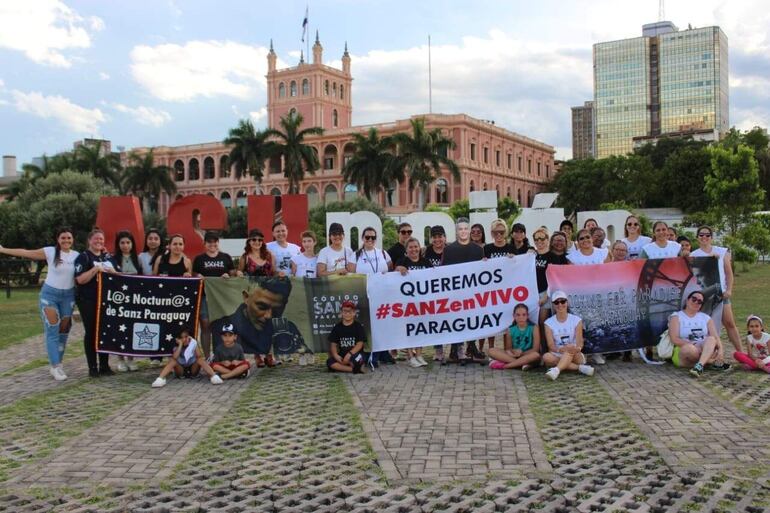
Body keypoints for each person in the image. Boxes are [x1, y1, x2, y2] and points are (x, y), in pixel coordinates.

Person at [0, 228, 78, 381]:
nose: (66, 241)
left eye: (69, 238)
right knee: (52, 328)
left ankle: (58, 363)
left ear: (73, 239)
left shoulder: (77, 256)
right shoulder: (50, 252)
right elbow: (25, 252)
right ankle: (55, 367)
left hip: (68, 296)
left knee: (64, 331)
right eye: (63, 238)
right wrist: (3, 250)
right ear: (58, 239)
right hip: (50, 295)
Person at [690, 225, 743, 352]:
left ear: (712, 237)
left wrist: (729, 290)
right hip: (704, 297)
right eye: (701, 235)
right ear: (697, 237)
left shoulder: (721, 251)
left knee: (729, 323)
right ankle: (711, 352)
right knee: (708, 326)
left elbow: (729, 273)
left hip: (721, 294)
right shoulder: (694, 255)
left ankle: (741, 352)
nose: (704, 237)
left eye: (707, 235)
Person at [74, 228, 116, 378]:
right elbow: (80, 279)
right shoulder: (83, 257)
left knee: (104, 331)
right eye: (96, 239)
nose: (99, 242)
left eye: (101, 240)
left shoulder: (107, 256)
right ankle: (93, 367)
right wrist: (95, 270)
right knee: (91, 332)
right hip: (88, 299)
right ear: (89, 241)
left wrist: (110, 270)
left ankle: (105, 365)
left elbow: (117, 274)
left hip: (105, 299)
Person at [442, 217, 485, 364]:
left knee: (472, 319)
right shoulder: (448, 250)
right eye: (460, 229)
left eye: (466, 228)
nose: (463, 231)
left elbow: (483, 271)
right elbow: (443, 272)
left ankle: (471, 347)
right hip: (455, 293)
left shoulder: (478, 250)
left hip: (473, 293)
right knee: (457, 320)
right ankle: (455, 349)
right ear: (456, 231)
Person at [355, 226, 394, 366]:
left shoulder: (383, 253)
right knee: (369, 326)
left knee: (382, 325)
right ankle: (371, 354)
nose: (370, 240)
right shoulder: (357, 255)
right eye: (367, 237)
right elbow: (352, 274)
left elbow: (391, 270)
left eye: (373, 237)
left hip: (383, 295)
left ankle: (383, 353)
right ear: (362, 239)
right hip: (366, 295)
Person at [193, 231, 236, 357]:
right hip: (204, 297)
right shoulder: (199, 259)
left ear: (218, 242)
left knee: (221, 325)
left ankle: (222, 354)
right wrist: (197, 276)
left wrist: (228, 275)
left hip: (222, 298)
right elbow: (193, 275)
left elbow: (233, 274)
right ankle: (207, 356)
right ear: (204, 243)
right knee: (205, 324)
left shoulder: (226, 257)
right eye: (209, 242)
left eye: (214, 242)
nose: (212, 244)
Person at [669, 290, 730, 377]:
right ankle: (710, 362)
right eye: (694, 299)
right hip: (685, 349)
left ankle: (699, 365)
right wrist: (693, 345)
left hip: (702, 347)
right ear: (687, 300)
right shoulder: (676, 316)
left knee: (711, 339)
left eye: (699, 301)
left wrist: (720, 351)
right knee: (689, 349)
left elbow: (716, 337)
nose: (696, 302)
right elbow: (674, 339)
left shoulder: (705, 318)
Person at [395, 237, 432, 368]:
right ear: (406, 250)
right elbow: (394, 276)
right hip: (407, 303)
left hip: (422, 303)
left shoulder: (426, 262)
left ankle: (419, 355)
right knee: (410, 330)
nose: (414, 249)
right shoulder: (402, 262)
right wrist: (398, 269)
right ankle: (410, 356)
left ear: (419, 248)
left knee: (420, 329)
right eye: (410, 247)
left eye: (416, 246)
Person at [542, 291, 594, 380]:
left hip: (575, 353)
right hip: (558, 352)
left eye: (563, 301)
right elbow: (550, 345)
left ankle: (557, 369)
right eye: (556, 302)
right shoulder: (548, 323)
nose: (560, 304)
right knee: (546, 357)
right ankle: (580, 368)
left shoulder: (576, 320)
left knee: (569, 350)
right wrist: (560, 349)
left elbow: (579, 342)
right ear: (553, 305)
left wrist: (575, 349)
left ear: (567, 302)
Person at [480, 219, 514, 353]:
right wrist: (483, 262)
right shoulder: (487, 248)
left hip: (507, 290)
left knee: (506, 321)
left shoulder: (511, 248)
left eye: (501, 232)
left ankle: (506, 350)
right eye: (495, 232)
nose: (499, 235)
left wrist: (514, 259)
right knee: (489, 321)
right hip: (491, 290)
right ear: (492, 234)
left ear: (505, 232)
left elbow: (517, 267)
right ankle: (486, 349)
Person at [151, 326, 224, 387]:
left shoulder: (192, 343)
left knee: (200, 360)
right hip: (181, 371)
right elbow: (175, 357)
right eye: (182, 337)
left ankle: (213, 376)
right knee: (173, 361)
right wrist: (180, 345)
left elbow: (199, 356)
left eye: (186, 337)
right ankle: (160, 378)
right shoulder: (176, 346)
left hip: (193, 369)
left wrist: (193, 342)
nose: (184, 339)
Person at [112, 230, 141, 372]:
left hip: (134, 300)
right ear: (118, 244)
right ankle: (120, 359)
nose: (125, 245)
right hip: (119, 300)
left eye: (128, 242)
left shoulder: (138, 259)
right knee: (120, 329)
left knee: (132, 328)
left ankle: (131, 358)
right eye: (122, 242)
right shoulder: (113, 259)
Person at [488, 303, 541, 370]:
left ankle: (505, 366)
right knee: (491, 350)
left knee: (536, 355)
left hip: (527, 355)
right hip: (514, 356)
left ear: (527, 316)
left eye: (524, 315)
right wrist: (513, 352)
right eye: (518, 315)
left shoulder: (534, 328)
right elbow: (508, 349)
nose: (521, 317)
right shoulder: (510, 329)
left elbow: (535, 349)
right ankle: (521, 364)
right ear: (514, 316)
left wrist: (521, 353)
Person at [424, 225, 447, 362]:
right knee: (436, 322)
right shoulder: (425, 252)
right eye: (435, 237)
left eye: (440, 236)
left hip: (450, 292)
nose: (438, 239)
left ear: (445, 237)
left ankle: (458, 348)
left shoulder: (451, 250)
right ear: (431, 239)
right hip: (432, 293)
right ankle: (438, 350)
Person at [327, 300, 366, 374]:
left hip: (355, 354)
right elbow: (333, 345)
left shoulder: (358, 326)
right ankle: (353, 369)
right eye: (345, 312)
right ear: (341, 313)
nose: (347, 314)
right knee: (330, 362)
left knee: (356, 360)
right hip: (342, 355)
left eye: (350, 312)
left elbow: (360, 344)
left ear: (354, 313)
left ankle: (353, 366)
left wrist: (349, 354)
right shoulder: (337, 327)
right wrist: (335, 355)